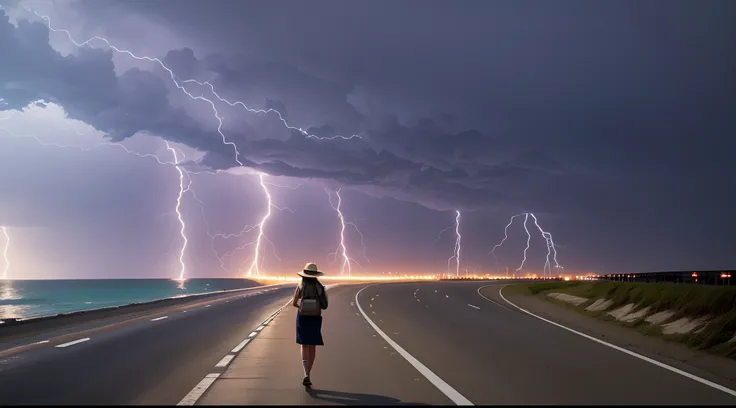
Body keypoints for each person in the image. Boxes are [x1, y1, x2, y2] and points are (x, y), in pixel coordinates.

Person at [292, 262, 328, 387]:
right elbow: (325, 305)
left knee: (304, 344)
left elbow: (294, 302)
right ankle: (308, 374)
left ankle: (305, 373)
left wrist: (302, 307)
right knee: (312, 345)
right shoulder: (320, 287)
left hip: (302, 317)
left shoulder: (301, 285)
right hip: (315, 318)